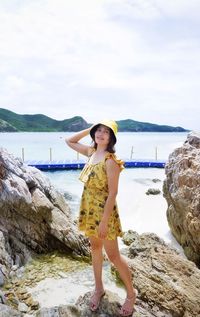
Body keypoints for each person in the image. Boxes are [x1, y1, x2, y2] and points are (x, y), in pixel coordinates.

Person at [65, 119, 137, 317]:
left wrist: (104, 221)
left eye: (106, 132)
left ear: (111, 138)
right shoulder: (91, 153)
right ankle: (99, 288)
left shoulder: (111, 160)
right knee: (95, 248)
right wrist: (90, 128)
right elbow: (69, 141)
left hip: (104, 212)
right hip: (88, 208)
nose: (101, 134)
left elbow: (113, 193)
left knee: (113, 256)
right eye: (99, 130)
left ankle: (131, 294)